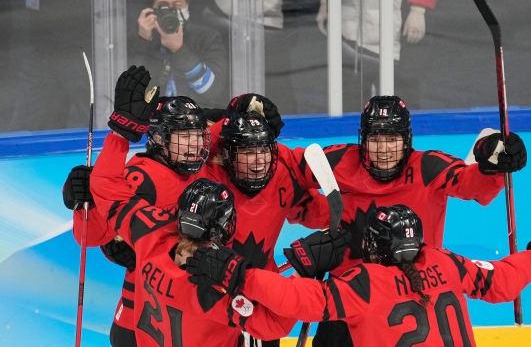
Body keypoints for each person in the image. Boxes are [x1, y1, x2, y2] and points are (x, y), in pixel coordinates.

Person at [275, 94, 528, 346]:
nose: (384, 150)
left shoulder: (428, 167)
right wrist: (309, 209)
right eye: (375, 139)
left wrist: (493, 165)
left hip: (410, 296)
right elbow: (286, 168)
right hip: (348, 299)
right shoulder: (340, 161)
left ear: (406, 140)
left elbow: (472, 186)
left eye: (392, 139)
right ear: (363, 139)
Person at [188, 204, 531, 347]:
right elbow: (500, 283)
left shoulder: (366, 281)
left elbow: (302, 301)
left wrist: (239, 274)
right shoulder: (443, 261)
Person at [89, 127, 298, 345]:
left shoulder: (147, 238)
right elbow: (273, 323)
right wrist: (303, 269)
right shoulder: (216, 283)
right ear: (222, 227)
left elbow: (106, 187)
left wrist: (120, 134)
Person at [63, 66, 212, 347]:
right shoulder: (141, 176)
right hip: (144, 313)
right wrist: (84, 202)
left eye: (197, 134)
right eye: (184, 135)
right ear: (160, 137)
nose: (195, 144)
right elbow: (90, 237)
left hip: (191, 309)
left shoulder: (200, 170)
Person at [200, 95, 331, 347]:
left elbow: (324, 213)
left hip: (263, 302)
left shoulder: (283, 177)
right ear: (226, 153)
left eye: (263, 150)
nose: (259, 161)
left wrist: (342, 230)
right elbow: (193, 147)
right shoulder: (205, 179)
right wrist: (233, 113)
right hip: (210, 301)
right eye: (248, 152)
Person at [316, 0, 437, 111]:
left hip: (393, 24)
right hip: (350, 24)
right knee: (352, 92)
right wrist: (326, 4)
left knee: (399, 90)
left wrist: (418, 8)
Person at [129, 0, 228, 107]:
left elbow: (212, 90)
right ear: (152, 9)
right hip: (154, 117)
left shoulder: (207, 37)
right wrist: (142, 41)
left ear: (187, 6)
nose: (171, 11)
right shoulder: (144, 37)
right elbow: (131, 88)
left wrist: (179, 50)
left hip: (193, 117)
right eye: (163, 6)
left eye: (177, 6)